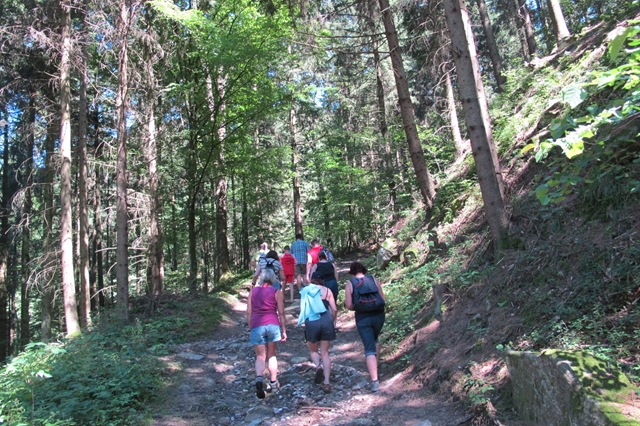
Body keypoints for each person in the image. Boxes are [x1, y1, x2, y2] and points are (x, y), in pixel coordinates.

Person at [344, 261, 386, 393]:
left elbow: (349, 305)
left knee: (369, 349)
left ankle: (374, 381)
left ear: (352, 272)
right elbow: (383, 299)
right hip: (379, 315)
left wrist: (360, 306)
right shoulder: (373, 279)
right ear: (363, 269)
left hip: (363, 318)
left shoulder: (350, 283)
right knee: (375, 339)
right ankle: (376, 367)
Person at [246, 268, 287, 399]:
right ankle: (273, 382)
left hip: (257, 324)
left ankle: (259, 378)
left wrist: (250, 326)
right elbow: (281, 312)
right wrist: (284, 330)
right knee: (272, 355)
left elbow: (249, 311)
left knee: (260, 356)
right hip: (273, 324)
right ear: (273, 279)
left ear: (261, 278)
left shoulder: (253, 291)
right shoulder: (276, 291)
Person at [298, 278, 337, 393]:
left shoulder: (306, 290)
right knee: (325, 353)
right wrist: (332, 320)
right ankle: (327, 383)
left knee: (313, 350)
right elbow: (334, 309)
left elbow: (303, 308)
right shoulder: (327, 290)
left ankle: (318, 365)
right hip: (326, 320)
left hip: (312, 321)